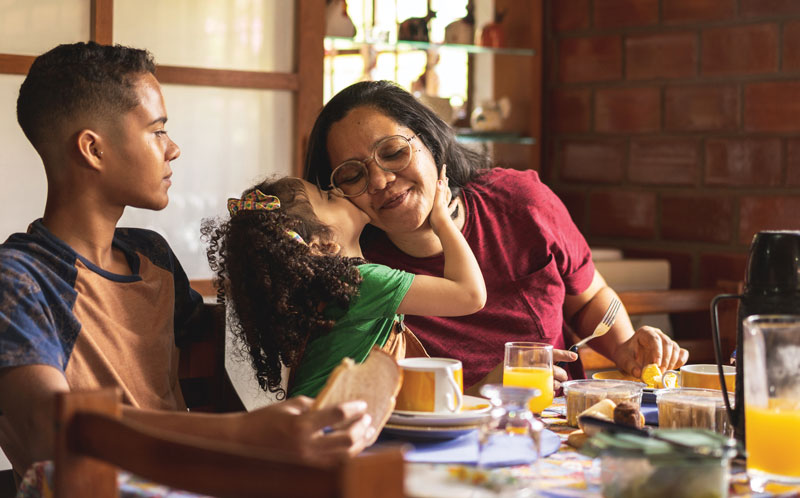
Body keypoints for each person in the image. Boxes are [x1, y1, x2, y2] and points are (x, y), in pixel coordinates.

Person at [0, 42, 372, 478]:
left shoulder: (151, 254)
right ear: (93, 149)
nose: (172, 148)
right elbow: (53, 424)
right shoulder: (19, 279)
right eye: (157, 130)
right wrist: (244, 434)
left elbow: (223, 344)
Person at [304, 80, 690, 394]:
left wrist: (625, 346)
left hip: (561, 426)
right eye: (352, 175)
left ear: (430, 142)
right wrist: (483, 392)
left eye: (392, 152)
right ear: (336, 193)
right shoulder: (359, 273)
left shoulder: (521, 203)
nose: (380, 180)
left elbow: (588, 298)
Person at [202, 163, 485, 399]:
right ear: (321, 243)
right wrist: (442, 220)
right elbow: (470, 294)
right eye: (327, 197)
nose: (338, 190)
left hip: (312, 428)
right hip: (326, 433)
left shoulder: (332, 287)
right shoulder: (360, 282)